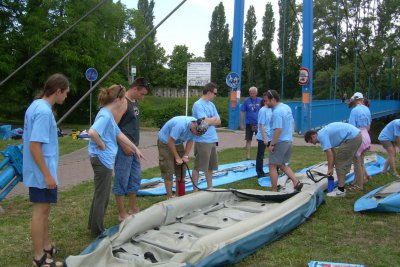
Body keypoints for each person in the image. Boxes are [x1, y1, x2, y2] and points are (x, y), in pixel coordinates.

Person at [23, 73, 70, 267]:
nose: (66, 96)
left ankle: (46, 246)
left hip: (40, 170)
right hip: (41, 172)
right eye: (65, 93)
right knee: (40, 211)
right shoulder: (43, 112)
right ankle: (38, 258)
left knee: (45, 209)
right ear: (57, 91)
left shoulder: (37, 105)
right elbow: (35, 145)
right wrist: (47, 174)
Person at [87, 84, 144, 237]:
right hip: (101, 160)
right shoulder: (105, 115)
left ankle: (92, 225)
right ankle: (97, 231)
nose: (124, 101)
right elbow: (92, 132)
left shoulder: (108, 114)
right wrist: (101, 143)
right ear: (118, 99)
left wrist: (135, 148)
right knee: (102, 197)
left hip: (102, 159)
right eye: (123, 98)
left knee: (100, 194)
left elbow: (119, 134)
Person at [112, 77, 149, 222]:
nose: (143, 97)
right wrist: (123, 144)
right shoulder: (122, 102)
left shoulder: (135, 102)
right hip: (123, 149)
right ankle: (121, 213)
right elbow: (113, 127)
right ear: (134, 88)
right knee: (122, 179)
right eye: (142, 94)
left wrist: (133, 146)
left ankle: (133, 208)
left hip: (134, 147)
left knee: (135, 178)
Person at [304, 122, 362, 197]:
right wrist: (331, 167)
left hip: (352, 138)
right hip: (356, 135)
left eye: (312, 141)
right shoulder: (323, 133)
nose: (314, 144)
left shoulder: (321, 136)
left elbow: (329, 153)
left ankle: (341, 191)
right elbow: (332, 152)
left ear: (313, 135)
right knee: (345, 160)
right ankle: (356, 185)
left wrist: (330, 169)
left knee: (340, 163)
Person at [157, 116, 209, 198]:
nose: (197, 134)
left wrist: (185, 156)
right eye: (197, 132)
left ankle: (179, 195)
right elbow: (170, 142)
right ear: (194, 125)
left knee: (181, 170)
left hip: (178, 142)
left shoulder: (197, 129)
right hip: (165, 142)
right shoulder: (180, 125)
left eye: (199, 134)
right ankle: (169, 198)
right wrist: (177, 157)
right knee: (168, 169)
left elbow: (191, 140)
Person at [265, 90, 302, 192]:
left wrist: (272, 144)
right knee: (282, 164)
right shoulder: (286, 107)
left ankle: (274, 190)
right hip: (288, 140)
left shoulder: (277, 112)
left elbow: (278, 129)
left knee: (272, 165)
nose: (266, 103)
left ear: (273, 99)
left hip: (280, 142)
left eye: (267, 100)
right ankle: (296, 182)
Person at [191, 82, 221, 191]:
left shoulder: (211, 105)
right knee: (198, 166)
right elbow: (203, 121)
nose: (215, 96)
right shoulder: (198, 104)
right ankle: (195, 190)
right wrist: (212, 119)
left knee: (210, 167)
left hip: (212, 139)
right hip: (203, 140)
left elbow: (219, 121)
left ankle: (210, 187)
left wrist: (210, 120)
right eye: (215, 93)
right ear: (209, 92)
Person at [348, 92, 372, 190]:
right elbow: (369, 126)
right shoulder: (367, 109)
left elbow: (351, 128)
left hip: (358, 136)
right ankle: (359, 180)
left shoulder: (354, 110)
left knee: (357, 162)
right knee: (361, 160)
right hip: (366, 135)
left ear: (354, 100)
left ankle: (358, 185)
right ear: (362, 100)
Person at [240, 86, 262, 160]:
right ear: (249, 93)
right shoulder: (246, 101)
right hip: (249, 124)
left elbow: (265, 111)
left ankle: (260, 156)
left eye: (254, 93)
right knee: (248, 140)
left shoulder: (260, 100)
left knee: (260, 140)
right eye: (251, 93)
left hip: (258, 124)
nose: (252, 95)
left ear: (256, 93)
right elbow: (242, 112)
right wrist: (242, 123)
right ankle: (248, 157)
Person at [255, 92, 272, 178]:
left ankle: (274, 170)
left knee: (273, 154)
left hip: (271, 135)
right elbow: (261, 125)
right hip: (263, 137)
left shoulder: (272, 109)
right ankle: (260, 173)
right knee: (260, 155)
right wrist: (265, 138)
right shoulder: (262, 110)